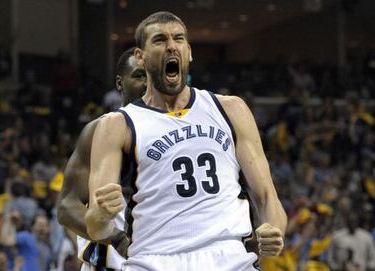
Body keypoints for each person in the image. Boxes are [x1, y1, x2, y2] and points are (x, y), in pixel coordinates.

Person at [85, 11, 287, 270]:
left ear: (188, 51)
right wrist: (102, 213)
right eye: (159, 40)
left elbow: (268, 197)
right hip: (154, 259)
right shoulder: (116, 125)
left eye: (178, 39)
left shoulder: (230, 109)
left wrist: (274, 230)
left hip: (229, 255)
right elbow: (95, 227)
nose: (171, 45)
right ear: (140, 56)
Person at [57, 47, 146, 271]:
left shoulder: (177, 134)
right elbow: (67, 207)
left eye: (151, 76)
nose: (146, 83)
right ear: (119, 83)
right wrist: (116, 238)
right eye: (138, 75)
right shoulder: (97, 131)